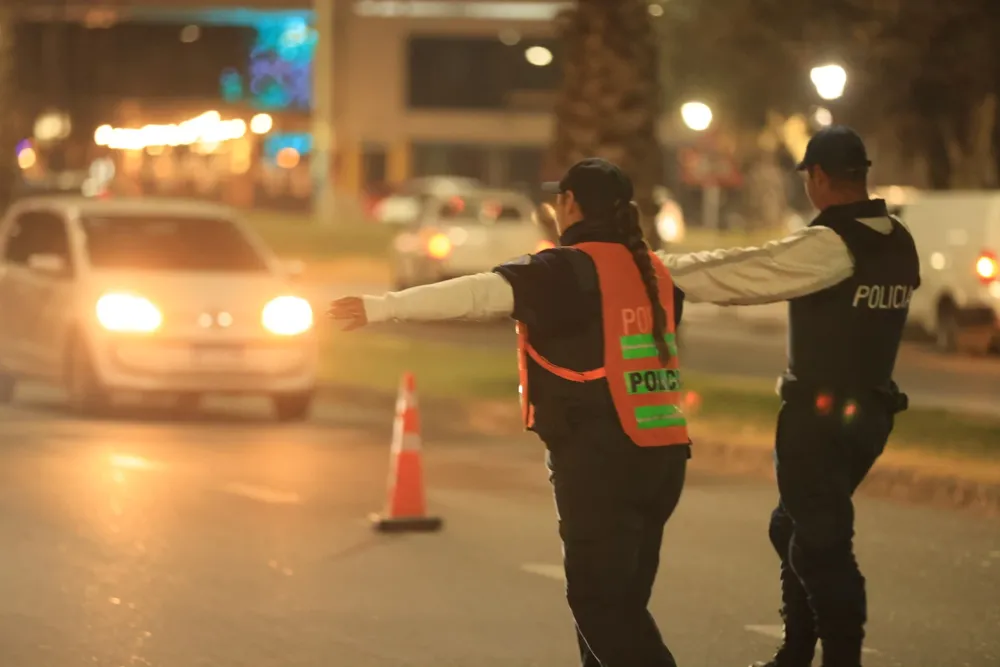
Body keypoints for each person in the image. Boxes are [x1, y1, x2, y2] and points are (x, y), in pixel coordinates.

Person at [330, 158, 693, 667]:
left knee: (600, 606)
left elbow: (478, 294)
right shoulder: (653, 270)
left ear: (568, 203)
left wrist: (382, 307)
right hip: (663, 456)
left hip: (600, 457)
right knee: (622, 606)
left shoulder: (564, 270)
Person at [654, 126, 920, 667]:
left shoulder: (831, 243)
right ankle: (795, 652)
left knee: (820, 545)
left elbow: (745, 273)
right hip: (871, 413)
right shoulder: (898, 239)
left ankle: (838, 656)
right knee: (793, 527)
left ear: (817, 177)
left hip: (820, 419)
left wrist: (655, 269)